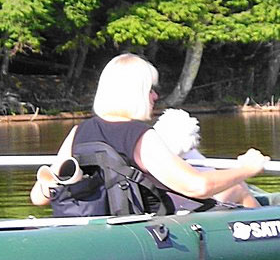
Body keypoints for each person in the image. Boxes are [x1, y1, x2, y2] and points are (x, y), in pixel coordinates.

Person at [30, 54, 266, 214]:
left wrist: (49, 182)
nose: (154, 96)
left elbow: (39, 198)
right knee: (236, 189)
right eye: (150, 89)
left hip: (103, 220)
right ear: (135, 92)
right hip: (139, 225)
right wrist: (246, 169)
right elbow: (198, 186)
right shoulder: (141, 137)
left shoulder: (78, 132)